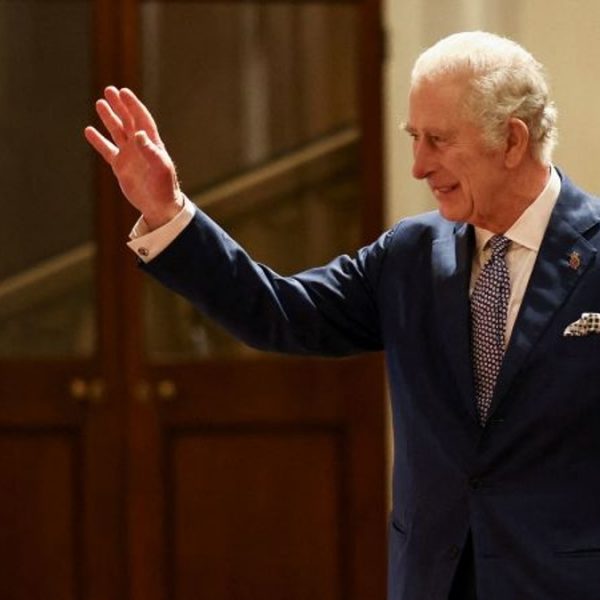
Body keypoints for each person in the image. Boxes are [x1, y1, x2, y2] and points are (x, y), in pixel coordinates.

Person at [85, 31, 600, 600]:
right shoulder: (410, 255)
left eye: (437, 140)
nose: (418, 166)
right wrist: (168, 212)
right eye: (413, 138)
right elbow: (281, 312)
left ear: (512, 140)